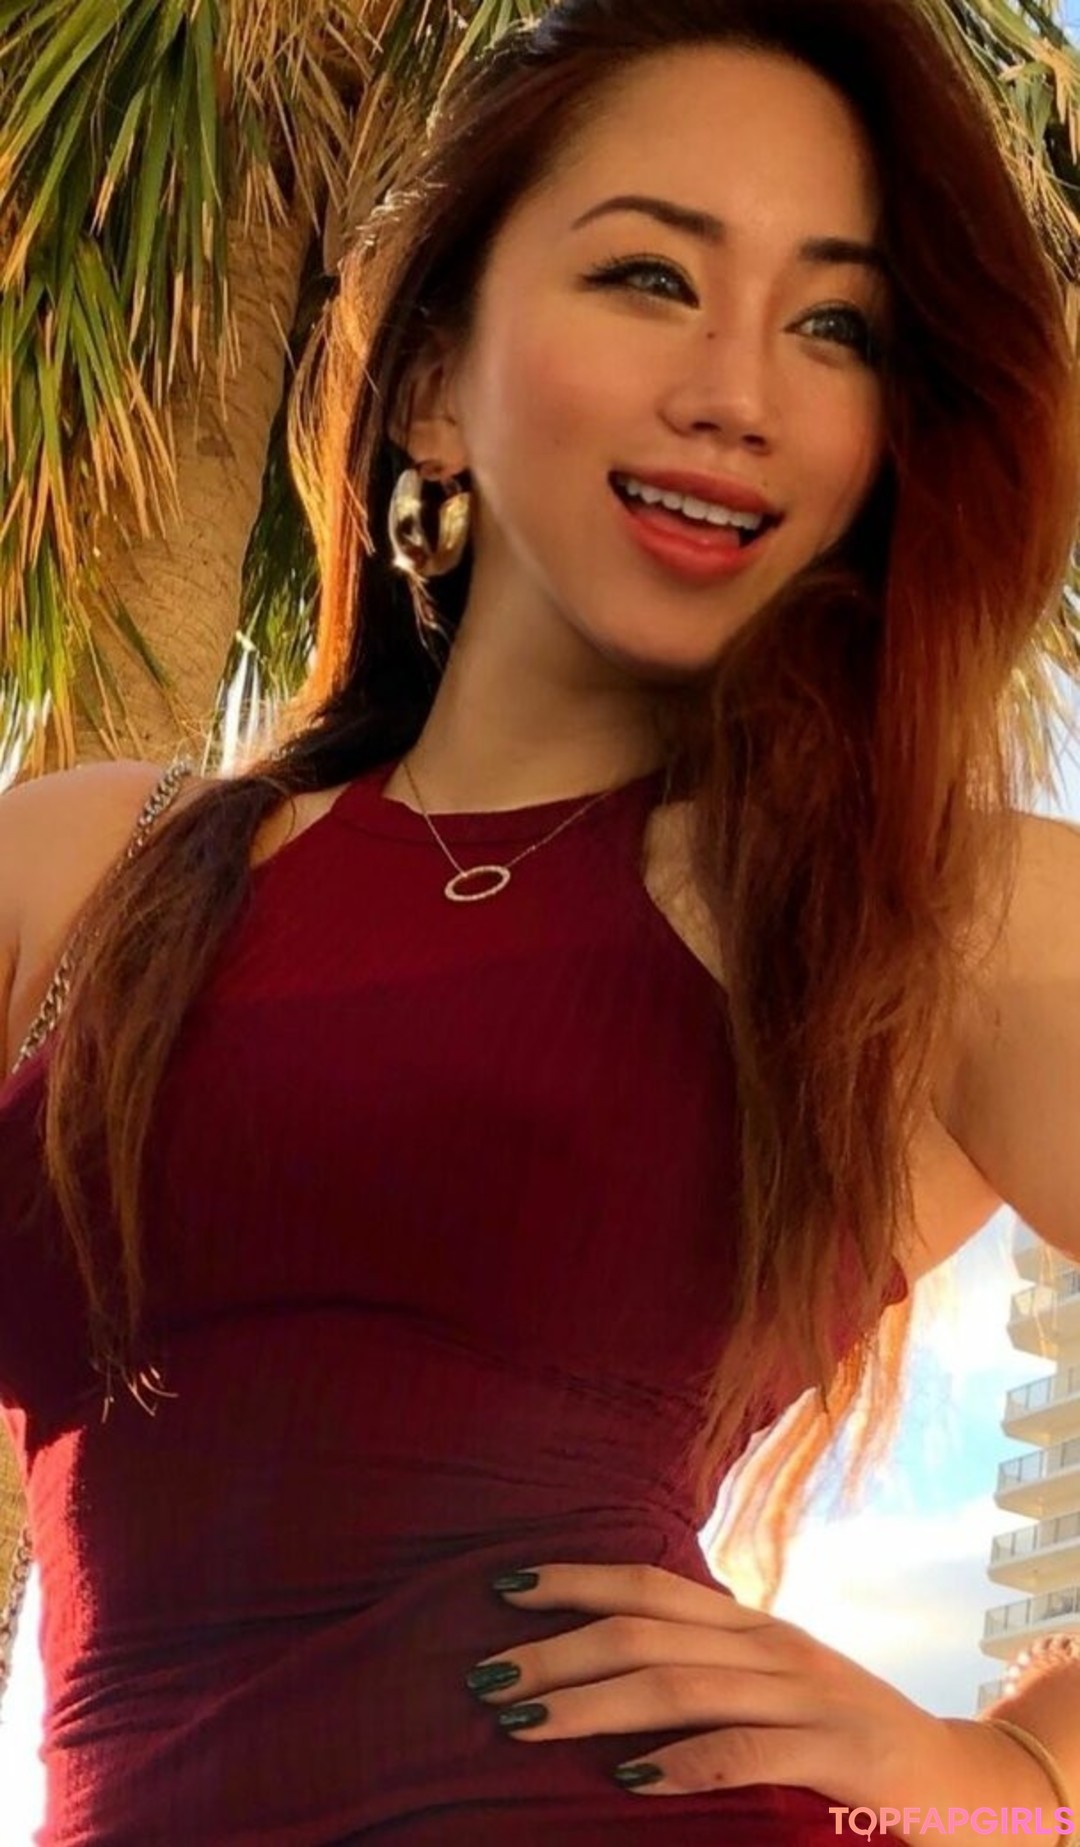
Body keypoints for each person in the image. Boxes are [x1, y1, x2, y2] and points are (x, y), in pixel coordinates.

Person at [1, 0, 1079, 1840]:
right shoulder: (86, 868)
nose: (738, 391)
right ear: (433, 381)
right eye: (652, 277)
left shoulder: (926, 914)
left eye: (835, 326)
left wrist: (1013, 1771)